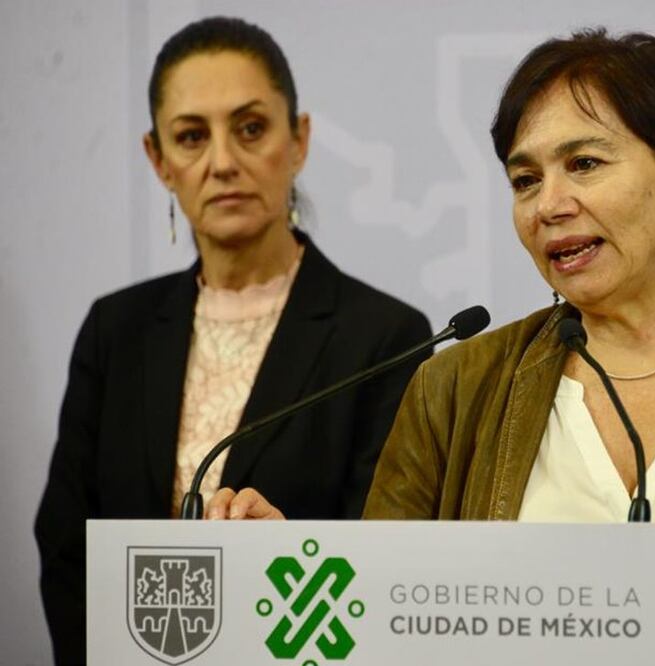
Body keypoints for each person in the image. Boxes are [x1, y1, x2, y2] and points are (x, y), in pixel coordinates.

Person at [211, 28, 655, 664]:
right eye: (525, 179)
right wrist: (291, 567)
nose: (549, 206)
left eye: (584, 163)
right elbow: (386, 608)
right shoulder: (454, 387)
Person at [34, 16, 431, 664]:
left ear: (298, 140)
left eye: (250, 129)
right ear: (158, 160)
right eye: (192, 137)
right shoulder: (115, 330)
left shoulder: (386, 337)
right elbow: (65, 546)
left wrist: (288, 552)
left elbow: (386, 567)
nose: (222, 163)